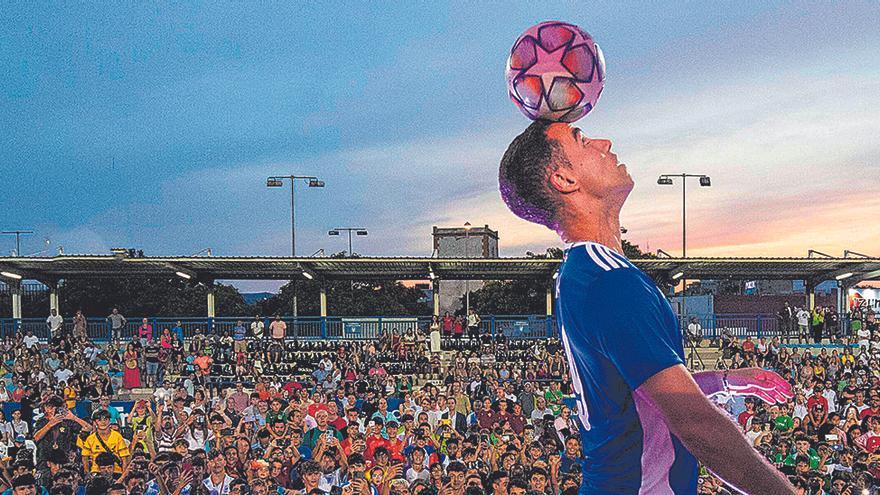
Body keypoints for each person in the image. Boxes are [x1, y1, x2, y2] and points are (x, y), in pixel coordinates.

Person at [498, 120, 795, 493]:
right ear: (564, 179)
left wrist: (725, 382)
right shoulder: (610, 282)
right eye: (584, 141)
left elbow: (637, 397)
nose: (604, 142)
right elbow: (695, 425)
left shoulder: (582, 273)